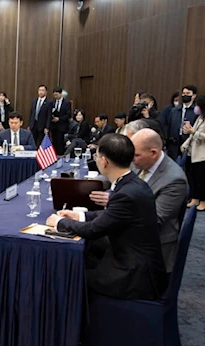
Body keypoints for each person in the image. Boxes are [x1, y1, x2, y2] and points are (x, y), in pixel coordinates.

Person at [46, 134, 167, 300]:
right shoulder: (132, 183)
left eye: (96, 156)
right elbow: (110, 214)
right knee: (85, 257)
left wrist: (60, 222)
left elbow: (93, 230)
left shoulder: (126, 193)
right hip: (135, 260)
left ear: (104, 161)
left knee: (66, 276)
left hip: (134, 274)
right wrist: (79, 215)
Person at [89, 129, 188, 273]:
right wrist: (86, 183)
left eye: (136, 156)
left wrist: (118, 202)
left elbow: (154, 220)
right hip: (126, 231)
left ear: (153, 153)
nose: (132, 160)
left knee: (85, 243)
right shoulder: (140, 161)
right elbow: (117, 174)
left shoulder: (174, 180)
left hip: (147, 249)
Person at [181, 95, 205, 211]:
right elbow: (192, 134)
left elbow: (198, 134)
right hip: (192, 152)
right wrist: (185, 144)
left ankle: (203, 201)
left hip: (202, 154)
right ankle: (195, 199)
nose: (196, 108)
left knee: (202, 179)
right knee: (193, 178)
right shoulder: (200, 117)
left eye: (198, 105)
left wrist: (194, 132)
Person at [168, 85, 198, 161]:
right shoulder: (174, 110)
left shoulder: (196, 111)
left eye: (188, 93)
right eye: (183, 93)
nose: (185, 95)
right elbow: (169, 126)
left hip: (189, 144)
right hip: (174, 144)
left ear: (193, 96)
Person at [50, 87, 71, 155]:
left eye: (57, 94)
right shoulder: (52, 102)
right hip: (54, 126)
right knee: (54, 142)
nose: (55, 96)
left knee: (60, 142)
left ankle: (61, 156)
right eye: (54, 95)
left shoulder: (66, 103)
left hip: (62, 126)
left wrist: (59, 119)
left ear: (61, 93)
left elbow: (68, 115)